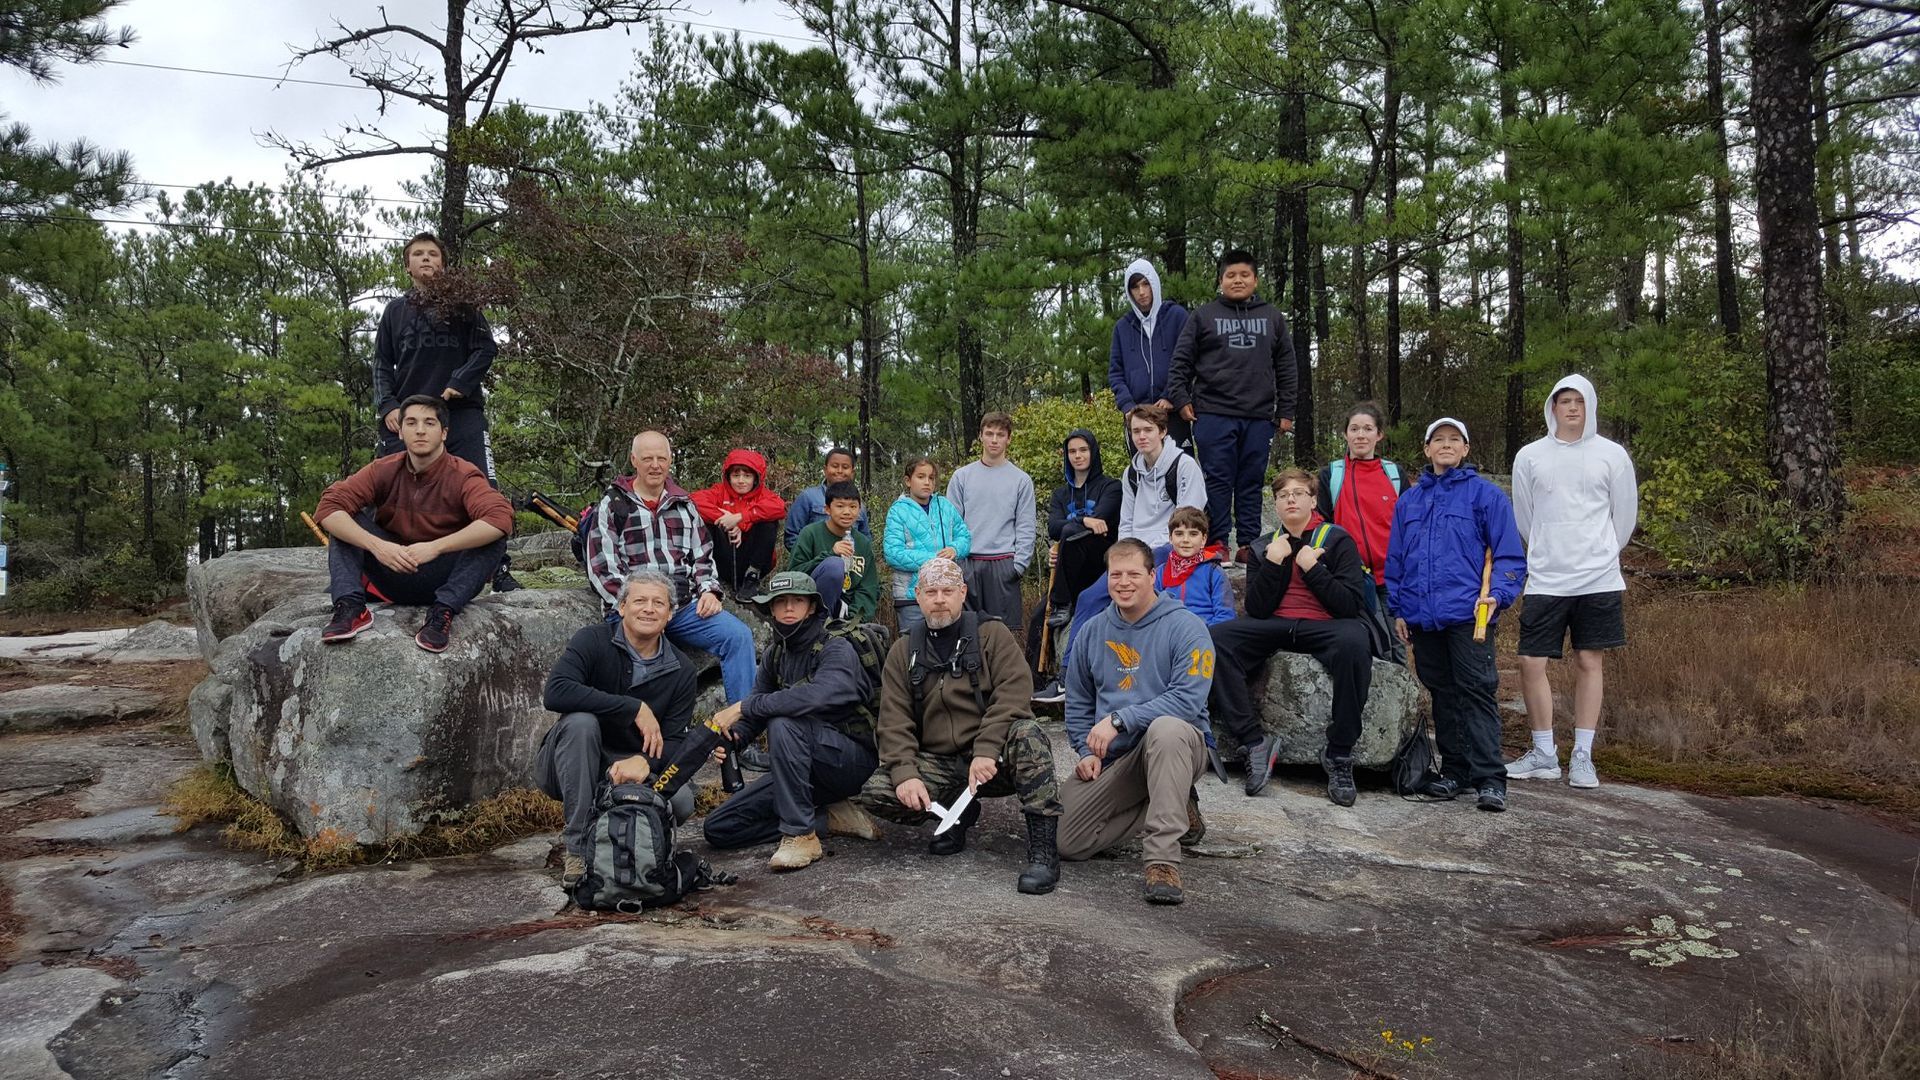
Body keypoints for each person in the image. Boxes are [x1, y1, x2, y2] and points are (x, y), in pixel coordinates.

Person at [855, 557, 1064, 894]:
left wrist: (987, 748)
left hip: (991, 761)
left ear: (962, 592)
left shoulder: (991, 635)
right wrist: (905, 772)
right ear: (918, 595)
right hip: (940, 761)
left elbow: (1015, 694)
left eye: (948, 591)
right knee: (878, 792)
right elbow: (894, 719)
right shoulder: (902, 651)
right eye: (931, 591)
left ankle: (1043, 851)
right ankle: (955, 815)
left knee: (1029, 735)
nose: (940, 598)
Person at [1058, 539, 1216, 906]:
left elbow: (1188, 700)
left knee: (1166, 728)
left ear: (1152, 575)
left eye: (1133, 574)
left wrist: (1119, 719)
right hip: (1120, 758)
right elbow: (1079, 700)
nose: (1124, 582)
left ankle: (1161, 860)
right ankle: (1178, 806)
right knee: (1067, 840)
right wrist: (1084, 749)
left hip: (1178, 744)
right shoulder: (1092, 631)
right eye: (1116, 574)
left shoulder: (1188, 628)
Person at [1385, 418, 1527, 812]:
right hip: (1423, 618)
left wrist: (1499, 595)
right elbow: (1395, 559)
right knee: (1442, 694)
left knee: (1477, 692)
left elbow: (1510, 556)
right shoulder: (1410, 501)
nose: (1446, 445)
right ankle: (1455, 771)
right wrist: (1398, 608)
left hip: (1470, 615)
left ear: (1465, 449)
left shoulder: (1486, 496)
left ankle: (1490, 778)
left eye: (1454, 440)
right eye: (1438, 440)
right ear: (1427, 449)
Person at [1210, 470, 1376, 804]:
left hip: (1326, 625)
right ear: (1276, 505)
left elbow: (1349, 606)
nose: (1291, 499)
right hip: (1277, 625)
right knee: (1216, 639)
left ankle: (1340, 752)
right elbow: (1257, 609)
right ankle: (1253, 743)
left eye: (1299, 493)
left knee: (1356, 641)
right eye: (1284, 495)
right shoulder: (1263, 546)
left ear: (1313, 501)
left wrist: (1313, 570)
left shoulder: (1337, 540)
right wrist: (1273, 564)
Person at [1506, 375, 1639, 790]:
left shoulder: (1612, 455)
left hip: (1597, 577)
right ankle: (1544, 752)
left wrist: (1599, 555)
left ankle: (1583, 754)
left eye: (1579, 401)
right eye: (1564, 401)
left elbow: (1625, 517)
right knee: (1530, 662)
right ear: (1553, 407)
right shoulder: (1530, 456)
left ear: (1591, 406)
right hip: (1546, 575)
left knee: (1588, 661)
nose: (1572, 408)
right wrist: (1547, 550)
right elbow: (1525, 516)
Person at [703, 571, 880, 872]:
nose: (788, 608)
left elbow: (820, 695)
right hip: (797, 770)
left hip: (848, 762)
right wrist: (736, 738)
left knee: (784, 721)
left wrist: (744, 706)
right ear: (769, 608)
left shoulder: (836, 646)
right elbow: (756, 711)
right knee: (720, 828)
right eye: (780, 601)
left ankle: (800, 835)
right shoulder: (775, 653)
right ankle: (827, 818)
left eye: (796, 601)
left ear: (811, 607)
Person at [372, 231, 518, 593]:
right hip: (411, 416)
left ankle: (497, 570)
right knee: (392, 490)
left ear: (443, 263)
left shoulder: (463, 306)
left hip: (461, 412)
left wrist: (459, 382)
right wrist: (388, 406)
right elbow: (381, 363)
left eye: (433, 254)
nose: (426, 259)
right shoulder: (395, 311)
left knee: (483, 488)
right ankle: (390, 569)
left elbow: (485, 348)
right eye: (418, 254)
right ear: (407, 265)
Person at [536, 570, 700, 887]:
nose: (649, 609)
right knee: (581, 722)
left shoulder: (682, 670)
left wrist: (646, 762)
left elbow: (676, 739)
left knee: (681, 802)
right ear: (622, 607)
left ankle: (634, 839)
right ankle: (577, 848)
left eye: (658, 603)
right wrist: (633, 708)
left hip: (633, 764)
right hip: (574, 759)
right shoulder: (592, 639)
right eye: (639, 600)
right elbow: (556, 692)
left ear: (669, 614)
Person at [316, 394, 512, 653]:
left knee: (494, 534)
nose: (420, 430)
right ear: (400, 432)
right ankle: (351, 608)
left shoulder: (463, 474)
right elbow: (328, 506)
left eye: (429, 423)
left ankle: (441, 614)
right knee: (344, 518)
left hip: (443, 578)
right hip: (391, 570)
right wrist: (378, 547)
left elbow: (500, 516)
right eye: (411, 423)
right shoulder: (383, 469)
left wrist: (435, 547)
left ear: (444, 433)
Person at [584, 430, 758, 705]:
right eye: (648, 458)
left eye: (661, 458)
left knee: (738, 636)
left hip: (682, 606)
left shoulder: (683, 504)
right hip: (635, 607)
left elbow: (702, 555)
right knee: (643, 668)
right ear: (634, 460)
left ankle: (742, 725)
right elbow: (601, 566)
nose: (655, 465)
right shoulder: (614, 504)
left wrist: (709, 591)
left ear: (669, 461)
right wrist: (637, 605)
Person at [1166, 248, 1297, 562]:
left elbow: (1287, 366)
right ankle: (1220, 541)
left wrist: (1286, 410)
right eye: (1230, 275)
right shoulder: (1203, 316)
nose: (1237, 280)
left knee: (1251, 481)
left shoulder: (1273, 317)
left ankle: (1249, 544)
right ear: (1221, 279)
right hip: (1213, 413)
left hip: (1258, 415)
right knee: (1218, 481)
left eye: (1244, 275)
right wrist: (1182, 399)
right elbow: (1180, 363)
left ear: (1255, 279)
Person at [1315, 402, 1411, 664]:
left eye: (1368, 429)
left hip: (1392, 575)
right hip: (1352, 576)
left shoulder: (1394, 474)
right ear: (1345, 434)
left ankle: (1401, 700)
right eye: (1354, 428)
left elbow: (1409, 524)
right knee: (1370, 642)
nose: (1360, 435)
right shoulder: (1331, 474)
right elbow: (1322, 523)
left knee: (1397, 642)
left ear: (1379, 435)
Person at [1032, 430, 1122, 702]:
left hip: (1098, 563)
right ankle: (1035, 683)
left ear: (1093, 453)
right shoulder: (1061, 494)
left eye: (1083, 450)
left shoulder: (1111, 486)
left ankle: (1061, 603)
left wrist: (1071, 530)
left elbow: (1103, 519)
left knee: (1070, 533)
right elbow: (1053, 527)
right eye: (1072, 451)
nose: (1078, 456)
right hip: (1069, 571)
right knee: (1038, 618)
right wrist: (1084, 522)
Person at [946, 412, 1037, 635]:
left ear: (1009, 439)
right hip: (968, 563)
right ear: (981, 436)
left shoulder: (1021, 480)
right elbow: (951, 523)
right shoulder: (962, 476)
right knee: (965, 632)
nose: (994, 439)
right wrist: (957, 562)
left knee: (1002, 636)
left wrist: (1018, 566)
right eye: (989, 434)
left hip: (1003, 564)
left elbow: (1026, 525)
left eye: (1000, 434)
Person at [1107, 258, 1193, 447]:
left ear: (1154, 283)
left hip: (1172, 415)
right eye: (1135, 287)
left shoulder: (1177, 317)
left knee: (1178, 471)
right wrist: (1128, 406)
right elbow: (1115, 373)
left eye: (1146, 284)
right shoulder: (1122, 328)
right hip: (1138, 417)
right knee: (1142, 473)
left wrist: (1172, 396)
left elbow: (1189, 362)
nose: (1142, 292)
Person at [883, 458, 971, 637]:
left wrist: (955, 549)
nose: (927, 482)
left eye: (931, 478)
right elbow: (893, 553)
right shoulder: (898, 511)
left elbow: (964, 536)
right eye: (921, 477)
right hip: (911, 596)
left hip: (946, 595)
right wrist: (933, 560)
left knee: (948, 645)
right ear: (908, 481)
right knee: (913, 645)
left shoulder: (944, 506)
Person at [689, 448, 788, 600]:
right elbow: (694, 501)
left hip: (753, 559)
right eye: (736, 475)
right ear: (728, 477)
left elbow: (779, 508)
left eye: (747, 476)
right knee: (706, 522)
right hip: (722, 556)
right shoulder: (719, 491)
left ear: (756, 478)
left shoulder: (764, 496)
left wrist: (741, 519)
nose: (741, 480)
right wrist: (725, 519)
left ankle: (752, 577)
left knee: (769, 522)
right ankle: (708, 574)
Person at [788, 480, 881, 621]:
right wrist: (830, 555)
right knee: (834, 565)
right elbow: (794, 575)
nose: (847, 512)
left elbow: (868, 588)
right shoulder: (810, 533)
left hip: (847, 616)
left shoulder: (863, 543)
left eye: (853, 507)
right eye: (840, 506)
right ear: (827, 509)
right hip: (812, 609)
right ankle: (821, 624)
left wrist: (854, 619)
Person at [1117, 404, 1206, 548]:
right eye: (1136, 431)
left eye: (1148, 430)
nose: (1142, 436)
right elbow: (1126, 523)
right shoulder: (1131, 473)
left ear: (1162, 431)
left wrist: (1151, 550)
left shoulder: (1185, 466)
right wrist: (1125, 550)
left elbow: (1189, 523)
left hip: (1171, 547)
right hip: (1136, 550)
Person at [1156, 507, 1234, 626]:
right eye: (1179, 534)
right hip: (1169, 633)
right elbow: (1152, 609)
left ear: (1203, 540)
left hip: (1205, 633)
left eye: (1193, 534)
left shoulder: (1213, 572)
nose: (1186, 540)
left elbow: (1225, 615)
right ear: (1170, 539)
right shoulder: (1160, 572)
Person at [785, 447, 871, 549]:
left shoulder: (858, 504)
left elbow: (866, 540)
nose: (839, 471)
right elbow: (792, 536)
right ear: (825, 470)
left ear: (852, 472)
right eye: (835, 466)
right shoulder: (808, 497)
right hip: (816, 563)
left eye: (845, 467)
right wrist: (813, 559)